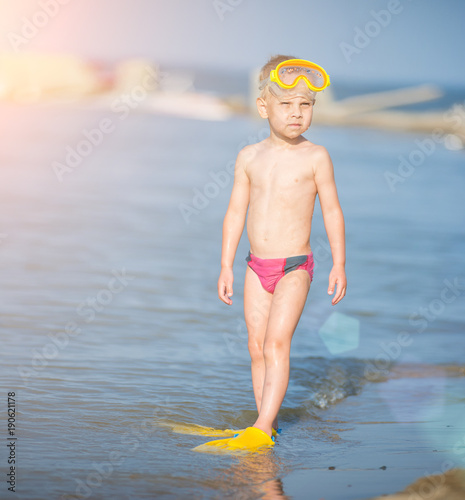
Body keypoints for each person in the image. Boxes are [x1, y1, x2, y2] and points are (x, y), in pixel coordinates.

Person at [198, 55, 346, 452]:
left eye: (306, 105)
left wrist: (339, 264)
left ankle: (261, 426)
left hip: (295, 266)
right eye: (287, 104)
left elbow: (332, 210)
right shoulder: (248, 156)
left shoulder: (316, 157)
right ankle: (269, 421)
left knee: (278, 342)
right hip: (254, 265)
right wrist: (226, 265)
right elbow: (234, 212)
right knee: (256, 345)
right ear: (264, 107)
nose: (297, 113)